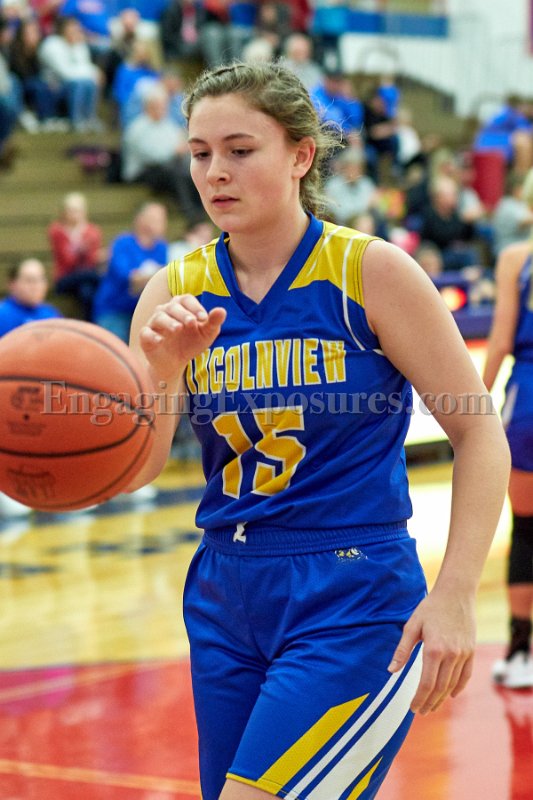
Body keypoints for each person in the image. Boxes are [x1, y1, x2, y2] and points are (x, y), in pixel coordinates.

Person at [127, 62, 510, 800]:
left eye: (240, 150)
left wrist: (457, 592)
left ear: (301, 155)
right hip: (223, 590)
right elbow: (137, 471)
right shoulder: (172, 293)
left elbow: (478, 433)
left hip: (352, 593)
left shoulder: (370, 272)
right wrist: (163, 372)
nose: (215, 172)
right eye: (200, 153)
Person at [482, 166, 533, 690]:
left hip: (528, 401)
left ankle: (521, 652)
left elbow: (498, 343)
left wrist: (468, 414)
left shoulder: (517, 259)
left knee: (526, 529)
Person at [93, 201, 168, 343]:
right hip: (114, 310)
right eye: (156, 219)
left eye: (163, 219)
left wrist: (144, 278)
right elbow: (128, 279)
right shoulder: (123, 243)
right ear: (141, 220)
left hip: (144, 312)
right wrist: (152, 277)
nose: (162, 224)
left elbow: (161, 280)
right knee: (115, 349)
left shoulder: (161, 247)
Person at [48, 191, 105, 320]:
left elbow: (92, 260)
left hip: (85, 279)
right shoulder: (56, 231)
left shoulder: (93, 231)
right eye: (71, 210)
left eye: (77, 210)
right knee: (94, 276)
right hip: (66, 278)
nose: (74, 214)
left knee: (87, 291)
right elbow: (67, 261)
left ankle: (90, 323)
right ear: (64, 212)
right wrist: (82, 251)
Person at [0, 256, 61, 336]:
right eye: (30, 280)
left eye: (41, 279)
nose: (36, 286)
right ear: (12, 284)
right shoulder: (2, 315)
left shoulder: (51, 314)